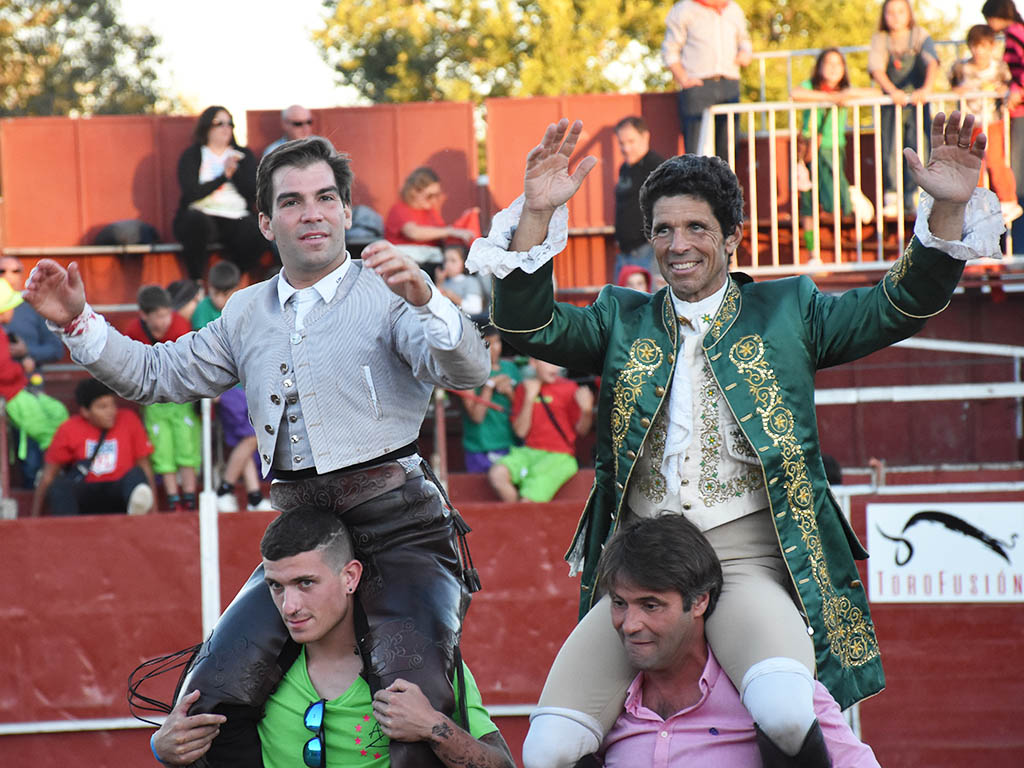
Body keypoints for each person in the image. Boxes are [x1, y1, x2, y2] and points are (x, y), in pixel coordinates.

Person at [467, 113, 1001, 767]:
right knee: (550, 746)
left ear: (732, 238)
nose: (677, 244)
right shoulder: (620, 317)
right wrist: (534, 217)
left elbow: (900, 303)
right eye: (663, 229)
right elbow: (528, 327)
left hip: (745, 561)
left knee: (782, 710)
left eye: (695, 227)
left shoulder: (789, 311)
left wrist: (947, 209)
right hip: (641, 572)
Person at [25, 135, 490, 768]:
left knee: (415, 705)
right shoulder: (247, 310)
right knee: (209, 698)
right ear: (267, 222)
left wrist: (430, 298)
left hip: (401, 526)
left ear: (347, 210)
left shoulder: (390, 291)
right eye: (293, 202)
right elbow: (157, 375)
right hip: (302, 535)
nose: (313, 213)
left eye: (326, 197)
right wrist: (78, 322)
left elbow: (465, 370)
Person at [152, 506, 515, 768]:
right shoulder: (257, 677)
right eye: (276, 587)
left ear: (350, 578)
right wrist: (162, 749)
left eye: (306, 583)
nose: (290, 606)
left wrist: (434, 728)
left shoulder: (420, 666)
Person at [595, 514, 881, 767]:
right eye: (620, 603)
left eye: (651, 606)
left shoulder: (774, 692)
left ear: (699, 602)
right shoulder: (600, 712)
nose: (630, 625)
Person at [192, 261, 272, 512]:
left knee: (244, 439)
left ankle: (254, 496)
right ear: (209, 289)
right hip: (226, 387)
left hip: (245, 383)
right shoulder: (203, 311)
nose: (220, 300)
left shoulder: (242, 305)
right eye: (216, 293)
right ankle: (225, 488)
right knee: (252, 437)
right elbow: (201, 352)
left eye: (225, 294)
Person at [791, 48, 879, 254]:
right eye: (828, 63)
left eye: (838, 64)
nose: (832, 68)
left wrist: (844, 95)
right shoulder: (811, 87)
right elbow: (795, 94)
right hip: (809, 151)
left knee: (835, 198)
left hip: (832, 148)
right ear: (819, 67)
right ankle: (814, 252)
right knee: (808, 201)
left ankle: (850, 194)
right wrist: (828, 98)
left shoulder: (844, 89)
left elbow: (875, 93)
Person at [123, 285, 200, 512]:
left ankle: (190, 498)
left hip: (182, 400)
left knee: (187, 448)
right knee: (162, 449)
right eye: (158, 316)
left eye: (167, 314)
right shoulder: (133, 331)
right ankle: (173, 500)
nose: (165, 321)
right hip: (153, 401)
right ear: (144, 315)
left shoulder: (180, 325)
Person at [31, 378, 155, 517]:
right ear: (85, 412)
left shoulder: (128, 419)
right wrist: (34, 519)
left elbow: (145, 467)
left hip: (120, 493)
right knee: (59, 486)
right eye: (102, 407)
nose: (111, 411)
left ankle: (138, 515)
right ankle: (67, 531)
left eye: (113, 405)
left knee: (137, 475)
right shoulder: (69, 428)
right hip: (87, 494)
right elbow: (48, 476)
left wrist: (155, 515)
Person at [173, 105, 267, 280]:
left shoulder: (242, 155)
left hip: (235, 214)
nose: (226, 128)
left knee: (256, 233)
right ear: (207, 126)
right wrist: (223, 176)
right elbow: (191, 193)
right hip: (203, 213)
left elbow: (253, 192)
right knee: (195, 224)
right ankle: (197, 282)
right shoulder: (193, 154)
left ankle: (232, 280)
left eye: (230, 123)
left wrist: (235, 172)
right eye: (220, 123)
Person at [868, 0, 939, 217]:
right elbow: (877, 69)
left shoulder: (919, 35)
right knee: (890, 146)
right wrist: (892, 91)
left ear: (909, 13)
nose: (895, 16)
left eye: (900, 11)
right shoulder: (881, 39)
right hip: (892, 102)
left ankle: (919, 193)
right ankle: (893, 195)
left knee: (919, 144)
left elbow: (932, 62)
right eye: (890, 12)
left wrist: (926, 89)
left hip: (917, 100)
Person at [487, 359, 594, 503]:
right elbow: (520, 432)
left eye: (556, 362)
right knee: (497, 475)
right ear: (533, 362)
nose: (554, 368)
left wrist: (587, 411)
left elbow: (582, 431)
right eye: (548, 362)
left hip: (559, 456)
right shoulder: (522, 388)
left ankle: (519, 521)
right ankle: (518, 519)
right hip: (528, 452)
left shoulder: (570, 387)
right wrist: (530, 397)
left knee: (528, 500)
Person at [0, 253, 65, 486]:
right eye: (2, 272)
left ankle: (40, 492)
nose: (8, 276)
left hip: (27, 388)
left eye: (15, 271)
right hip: (10, 389)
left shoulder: (32, 308)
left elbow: (55, 350)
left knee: (35, 449)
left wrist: (28, 352)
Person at [950, 24, 1023, 227]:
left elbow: (1009, 83)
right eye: (974, 46)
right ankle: (978, 205)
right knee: (974, 164)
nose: (978, 51)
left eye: (983, 46)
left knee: (995, 160)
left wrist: (1004, 89)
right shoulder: (961, 67)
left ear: (991, 46)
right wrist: (957, 90)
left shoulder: (998, 68)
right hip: (971, 123)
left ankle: (1008, 200)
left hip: (992, 120)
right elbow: (953, 84)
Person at [661, 0, 752, 160]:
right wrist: (684, 79)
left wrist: (745, 52)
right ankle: (697, 185)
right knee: (697, 149)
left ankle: (727, 184)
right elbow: (670, 50)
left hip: (729, 84)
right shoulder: (684, 9)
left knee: (729, 147)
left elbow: (744, 40)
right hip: (698, 86)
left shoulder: (733, 9)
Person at [982, 0, 1024, 228]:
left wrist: (1017, 89)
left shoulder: (1015, 33)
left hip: (1020, 109)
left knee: (1018, 170)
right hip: (1016, 108)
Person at [384, 166, 477, 265]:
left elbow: (442, 234)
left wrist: (464, 222)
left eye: (437, 195)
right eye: (430, 196)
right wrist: (450, 231)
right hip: (409, 263)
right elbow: (413, 232)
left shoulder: (430, 212)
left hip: (432, 262)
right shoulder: (399, 209)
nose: (434, 200)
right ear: (414, 192)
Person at [459, 325, 520, 473]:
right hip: (480, 447)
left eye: (497, 342)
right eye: (488, 343)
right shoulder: (468, 371)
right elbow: (477, 417)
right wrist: (489, 386)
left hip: (510, 444)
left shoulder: (511, 369)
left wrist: (509, 392)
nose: (494, 348)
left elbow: (523, 409)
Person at [613, 117, 664, 281]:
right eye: (621, 143)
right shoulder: (624, 168)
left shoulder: (658, 167)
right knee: (619, 303)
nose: (625, 148)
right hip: (624, 252)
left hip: (647, 251)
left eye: (631, 141)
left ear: (645, 137)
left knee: (646, 302)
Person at [438, 243, 487, 317]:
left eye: (453, 261)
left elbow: (476, 309)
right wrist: (439, 282)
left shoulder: (470, 281)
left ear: (464, 263)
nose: (448, 264)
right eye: (445, 261)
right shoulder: (445, 282)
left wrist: (454, 298)